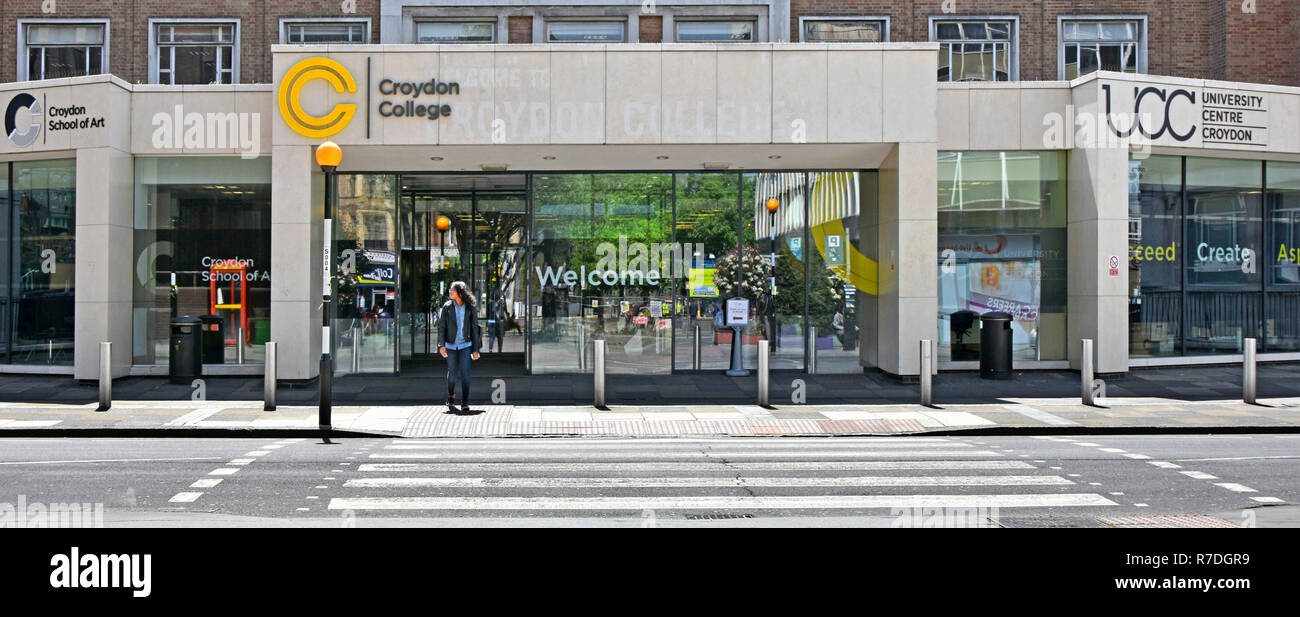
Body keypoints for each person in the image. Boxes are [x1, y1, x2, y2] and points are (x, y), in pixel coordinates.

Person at [438, 281, 481, 413]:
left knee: (465, 374)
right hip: (451, 345)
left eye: (453, 290)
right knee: (452, 374)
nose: (450, 292)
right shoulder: (447, 307)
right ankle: (451, 395)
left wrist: (476, 349)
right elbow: (442, 327)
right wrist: (441, 345)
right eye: (450, 290)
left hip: (465, 345)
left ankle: (465, 402)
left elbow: (475, 328)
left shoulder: (470, 307)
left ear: (460, 293)